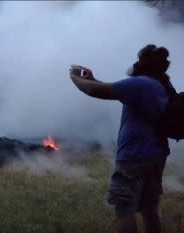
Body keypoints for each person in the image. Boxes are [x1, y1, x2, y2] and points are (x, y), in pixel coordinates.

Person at [69, 44, 174, 233]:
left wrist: (74, 78)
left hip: (135, 155)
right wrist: (92, 78)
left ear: (143, 64)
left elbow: (93, 91)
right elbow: (112, 89)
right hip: (156, 154)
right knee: (150, 210)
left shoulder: (140, 84)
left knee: (124, 210)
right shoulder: (159, 85)